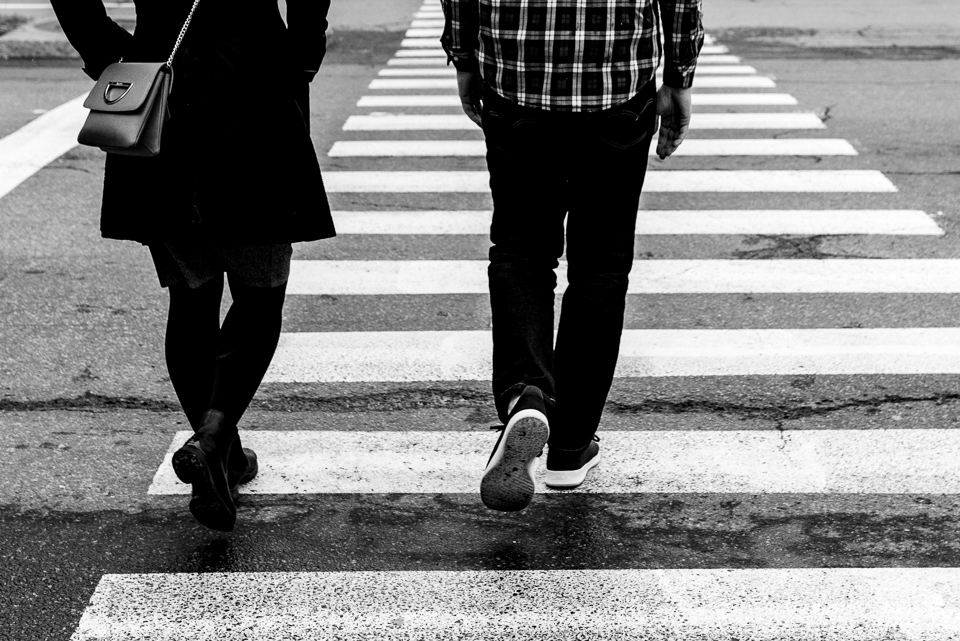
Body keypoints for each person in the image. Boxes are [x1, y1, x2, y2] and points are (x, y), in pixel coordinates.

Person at [51, 0, 335, 531]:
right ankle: (213, 438)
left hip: (162, 89)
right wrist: (301, 51)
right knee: (260, 295)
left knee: (191, 295)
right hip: (255, 89)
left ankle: (221, 454)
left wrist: (115, 52)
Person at [441, 0, 703, 511]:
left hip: (516, 73)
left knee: (522, 249)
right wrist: (680, 75)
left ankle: (528, 393)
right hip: (616, 78)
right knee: (600, 266)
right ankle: (568, 445)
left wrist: (465, 57)